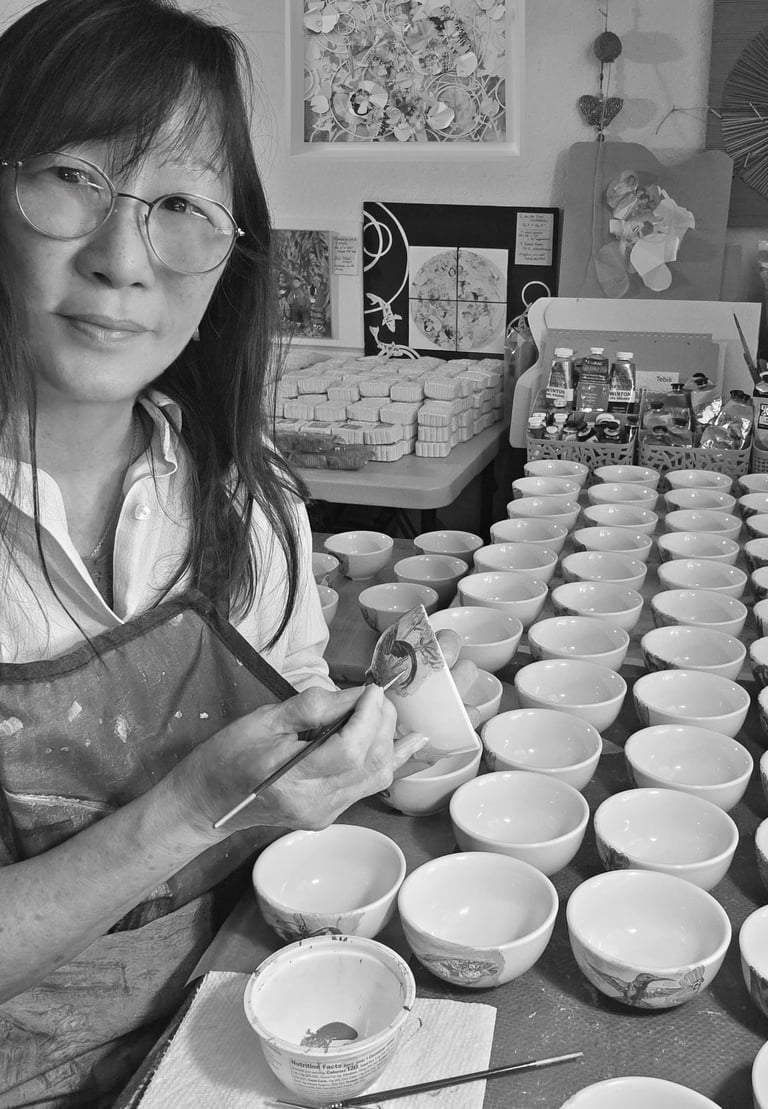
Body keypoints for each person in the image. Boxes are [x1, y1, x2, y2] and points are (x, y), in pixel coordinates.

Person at [0, 1, 438, 1104]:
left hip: (233, 1006)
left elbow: (286, 693)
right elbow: (205, 802)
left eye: (182, 204)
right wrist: (191, 806)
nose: (122, 260)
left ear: (231, 253)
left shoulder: (244, 494)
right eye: (72, 176)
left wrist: (353, 734)